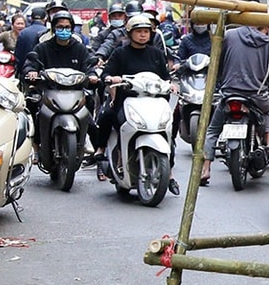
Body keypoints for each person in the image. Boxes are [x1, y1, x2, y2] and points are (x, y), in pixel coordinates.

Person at [93, 12, 172, 174]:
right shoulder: (120, 53)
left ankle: (168, 172)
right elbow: (106, 73)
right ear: (129, 33)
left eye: (146, 31)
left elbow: (165, 76)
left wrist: (172, 85)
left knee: (168, 126)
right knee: (107, 114)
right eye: (138, 31)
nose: (143, 35)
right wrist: (110, 78)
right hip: (126, 100)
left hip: (153, 101)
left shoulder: (156, 54)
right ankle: (101, 149)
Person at [201, 24, 269, 184]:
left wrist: (218, 79)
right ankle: (268, 143)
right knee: (268, 111)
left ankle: (205, 168)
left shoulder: (229, 35)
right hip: (257, 95)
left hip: (229, 93)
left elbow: (217, 62)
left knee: (213, 131)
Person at [22, 9, 92, 149]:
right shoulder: (43, 48)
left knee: (89, 102)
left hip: (74, 92)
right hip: (48, 91)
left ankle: (87, 139)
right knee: (33, 104)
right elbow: (30, 65)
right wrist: (31, 72)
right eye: (60, 27)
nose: (63, 30)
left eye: (67, 27)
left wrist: (93, 76)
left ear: (72, 29)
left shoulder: (80, 49)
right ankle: (35, 143)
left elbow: (89, 66)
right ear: (53, 28)